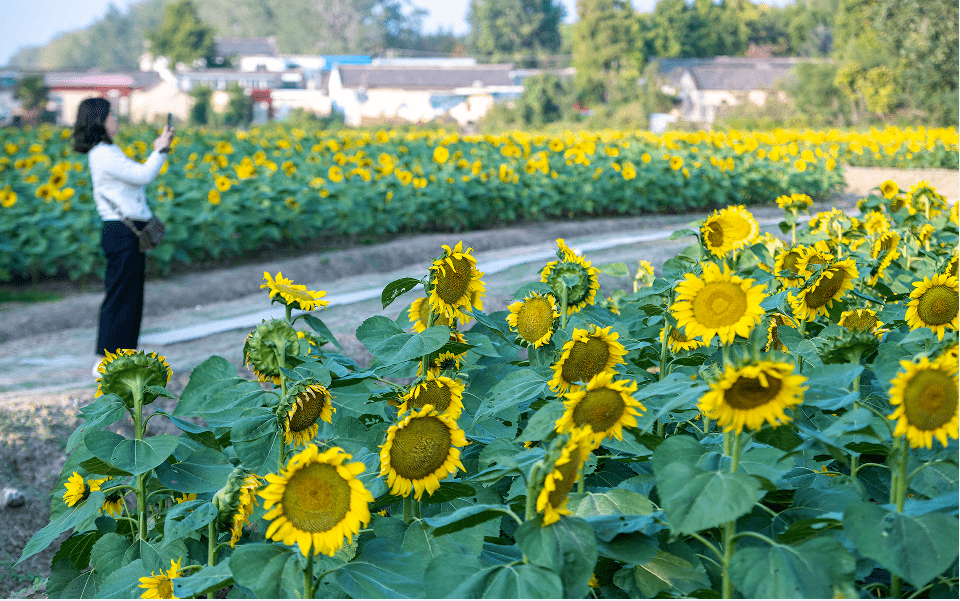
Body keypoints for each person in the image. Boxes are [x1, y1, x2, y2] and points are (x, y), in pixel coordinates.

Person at [72, 97, 174, 377]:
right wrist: (160, 150)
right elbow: (142, 175)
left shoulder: (107, 150)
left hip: (126, 233)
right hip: (121, 232)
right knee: (120, 296)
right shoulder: (104, 153)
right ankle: (104, 360)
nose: (115, 119)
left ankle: (123, 356)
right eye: (111, 115)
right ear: (99, 122)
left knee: (130, 296)